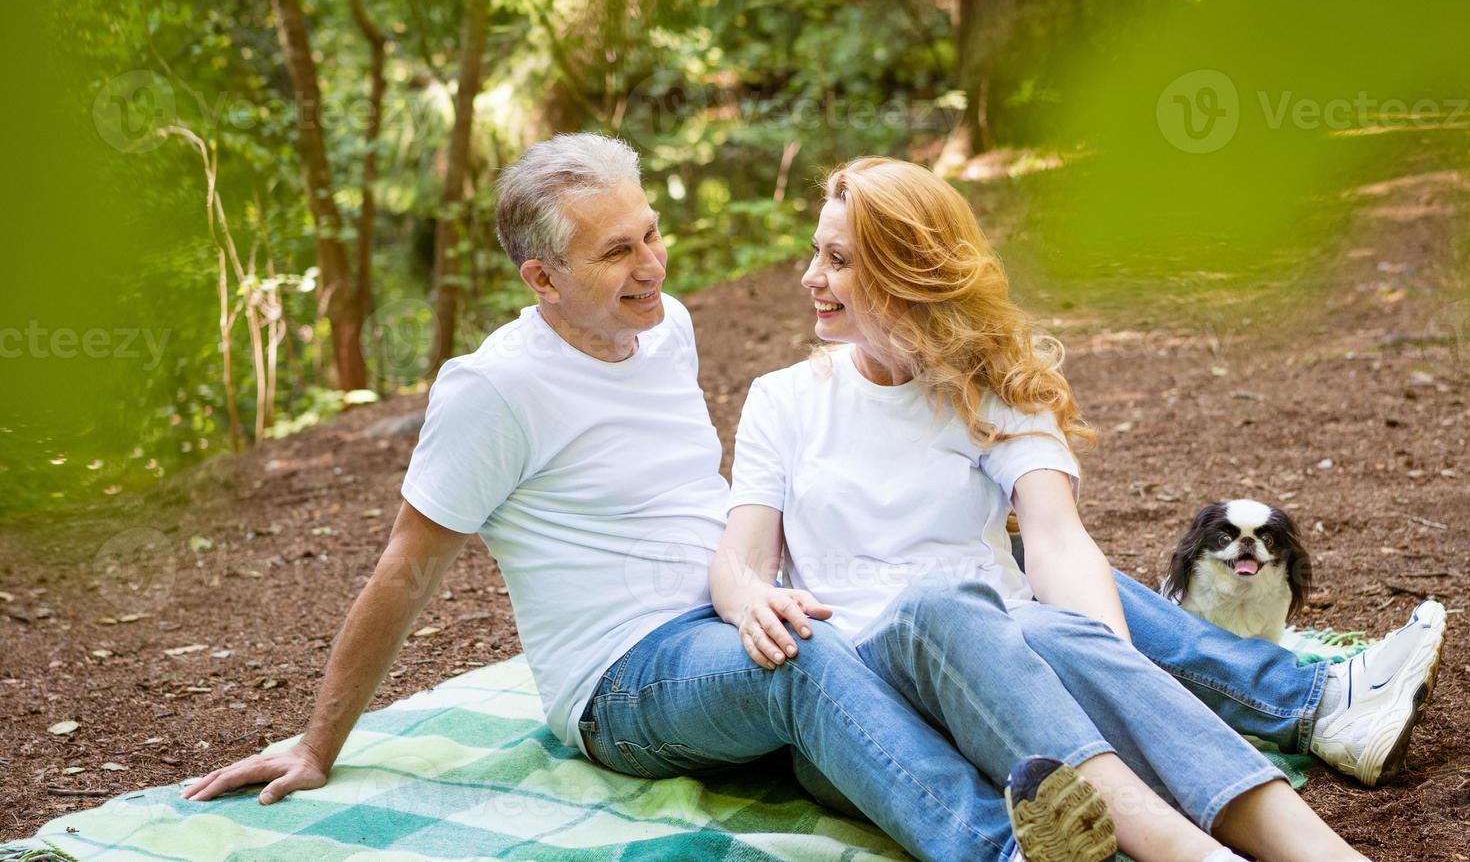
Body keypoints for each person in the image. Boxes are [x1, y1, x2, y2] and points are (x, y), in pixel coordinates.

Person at [181, 135, 1446, 862]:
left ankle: (1295, 752)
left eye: (652, 231)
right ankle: (1014, 848)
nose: (654, 264)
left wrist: (751, 586)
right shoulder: (491, 388)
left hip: (757, 618)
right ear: (538, 276)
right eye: (615, 250)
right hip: (632, 668)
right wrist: (319, 741)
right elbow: (406, 563)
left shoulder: (664, 327)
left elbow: (1036, 532)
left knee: (1030, 604)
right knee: (835, 649)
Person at [712, 155, 1449, 860]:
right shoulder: (785, 399)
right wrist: (748, 598)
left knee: (1048, 630)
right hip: (868, 705)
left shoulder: (993, 386)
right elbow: (743, 561)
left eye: (839, 261)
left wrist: (1115, 669)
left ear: (909, 271)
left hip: (1009, 661)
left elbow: (1057, 540)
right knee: (940, 603)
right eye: (818, 254)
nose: (812, 277)